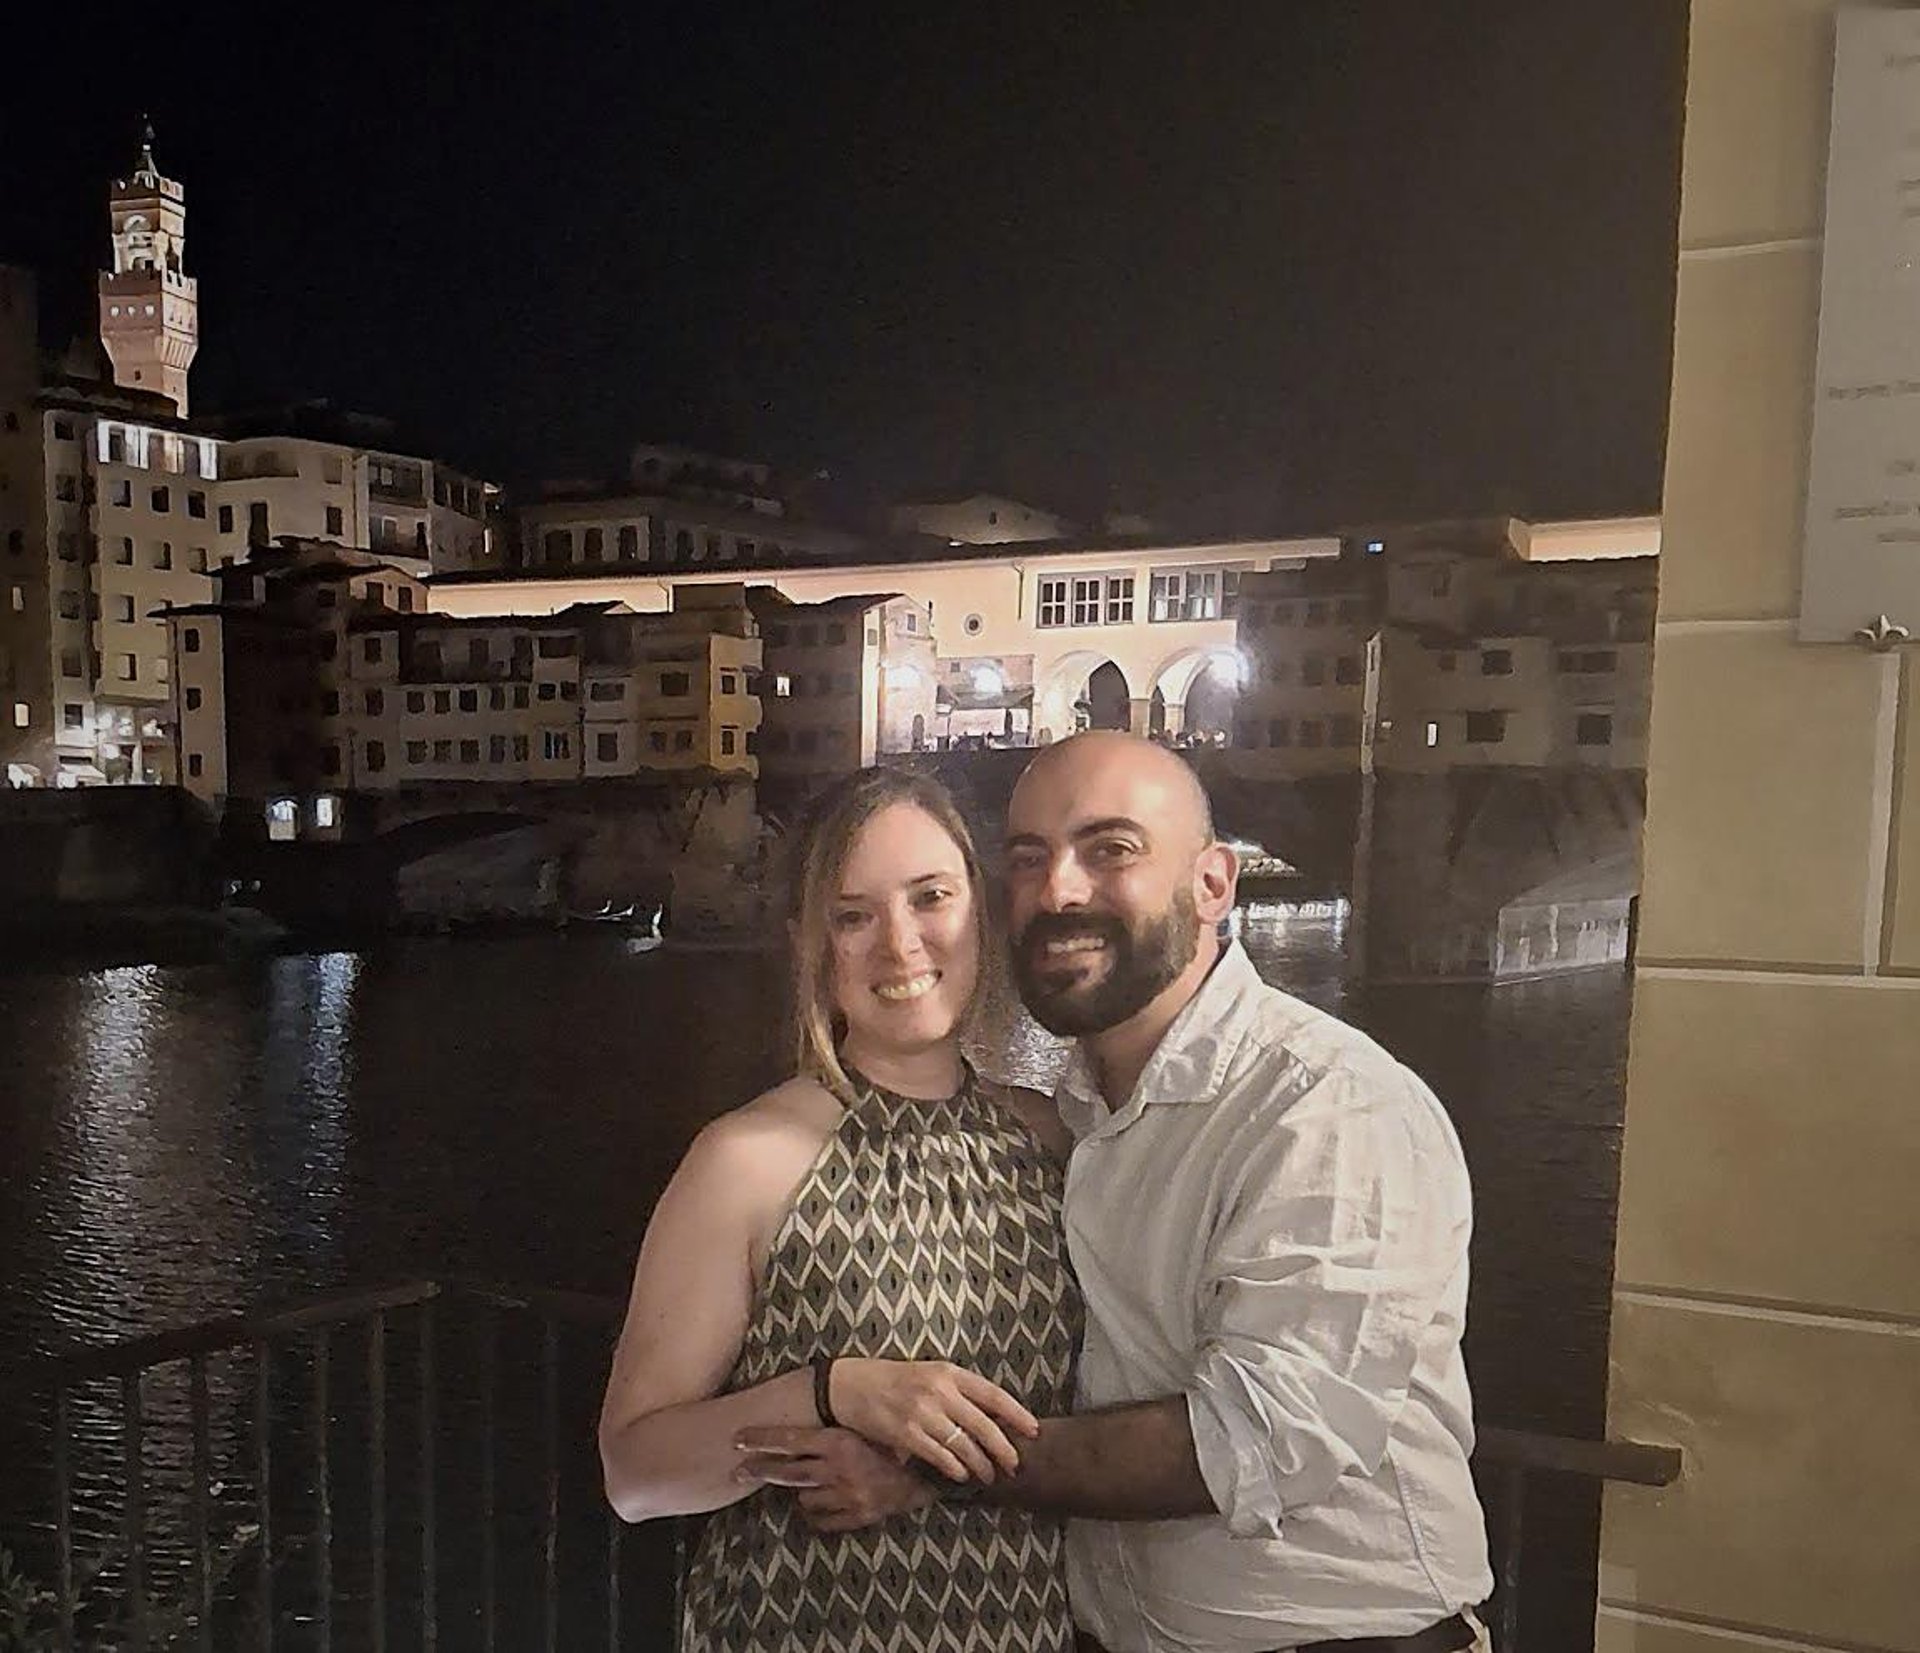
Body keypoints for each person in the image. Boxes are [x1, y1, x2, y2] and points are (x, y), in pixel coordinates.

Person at [740, 732, 1493, 1653]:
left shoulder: (1324, 1103)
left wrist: (935, 1468)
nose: (1058, 891)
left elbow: (1258, 1438)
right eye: (1028, 860)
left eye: (1111, 850)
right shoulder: (1075, 1118)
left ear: (1214, 884)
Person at [598, 765, 1084, 1652]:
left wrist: (928, 1475)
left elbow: (1096, 1417)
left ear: (980, 906)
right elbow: (634, 1473)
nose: (900, 945)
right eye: (853, 915)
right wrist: (833, 1392)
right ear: (810, 945)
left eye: (930, 897)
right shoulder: (746, 1160)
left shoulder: (1053, 1143)